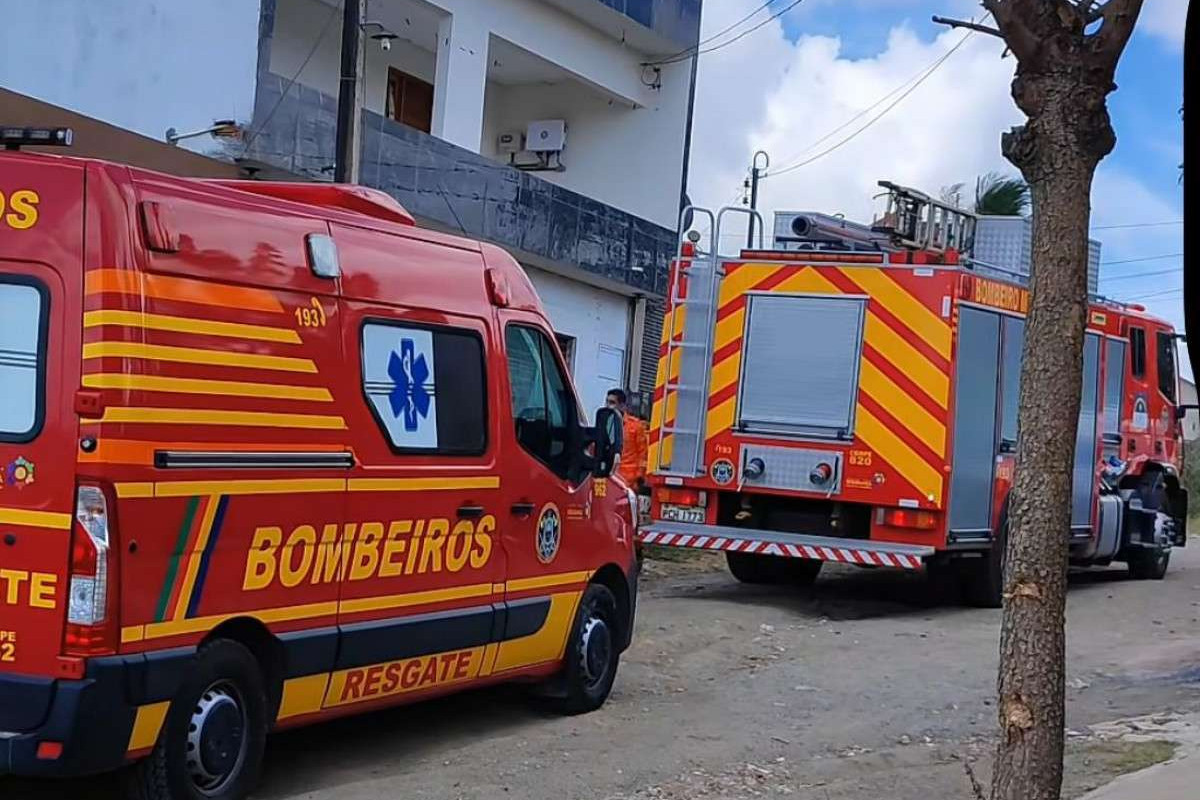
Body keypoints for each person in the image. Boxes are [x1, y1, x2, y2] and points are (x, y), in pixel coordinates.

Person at [607, 388, 648, 489]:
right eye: (607, 402)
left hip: (628, 481)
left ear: (622, 406)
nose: (608, 406)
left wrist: (638, 478)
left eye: (612, 403)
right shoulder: (606, 423)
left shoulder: (635, 426)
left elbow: (642, 455)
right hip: (609, 477)